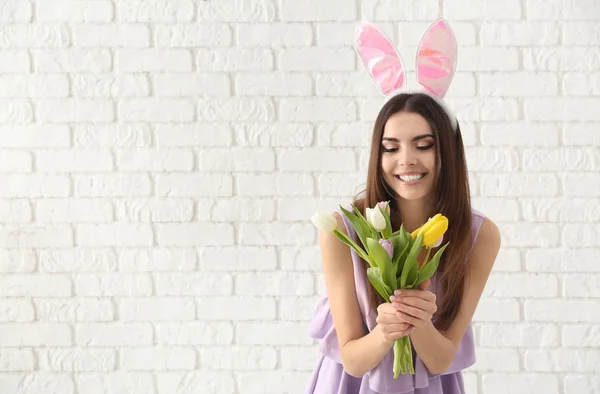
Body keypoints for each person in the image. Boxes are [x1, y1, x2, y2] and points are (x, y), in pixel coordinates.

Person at [307, 19, 501, 394]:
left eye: (424, 145)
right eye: (391, 147)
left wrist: (420, 323)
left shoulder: (478, 235)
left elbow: (442, 359)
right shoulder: (341, 232)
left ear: (447, 150)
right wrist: (386, 331)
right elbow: (352, 358)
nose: (406, 160)